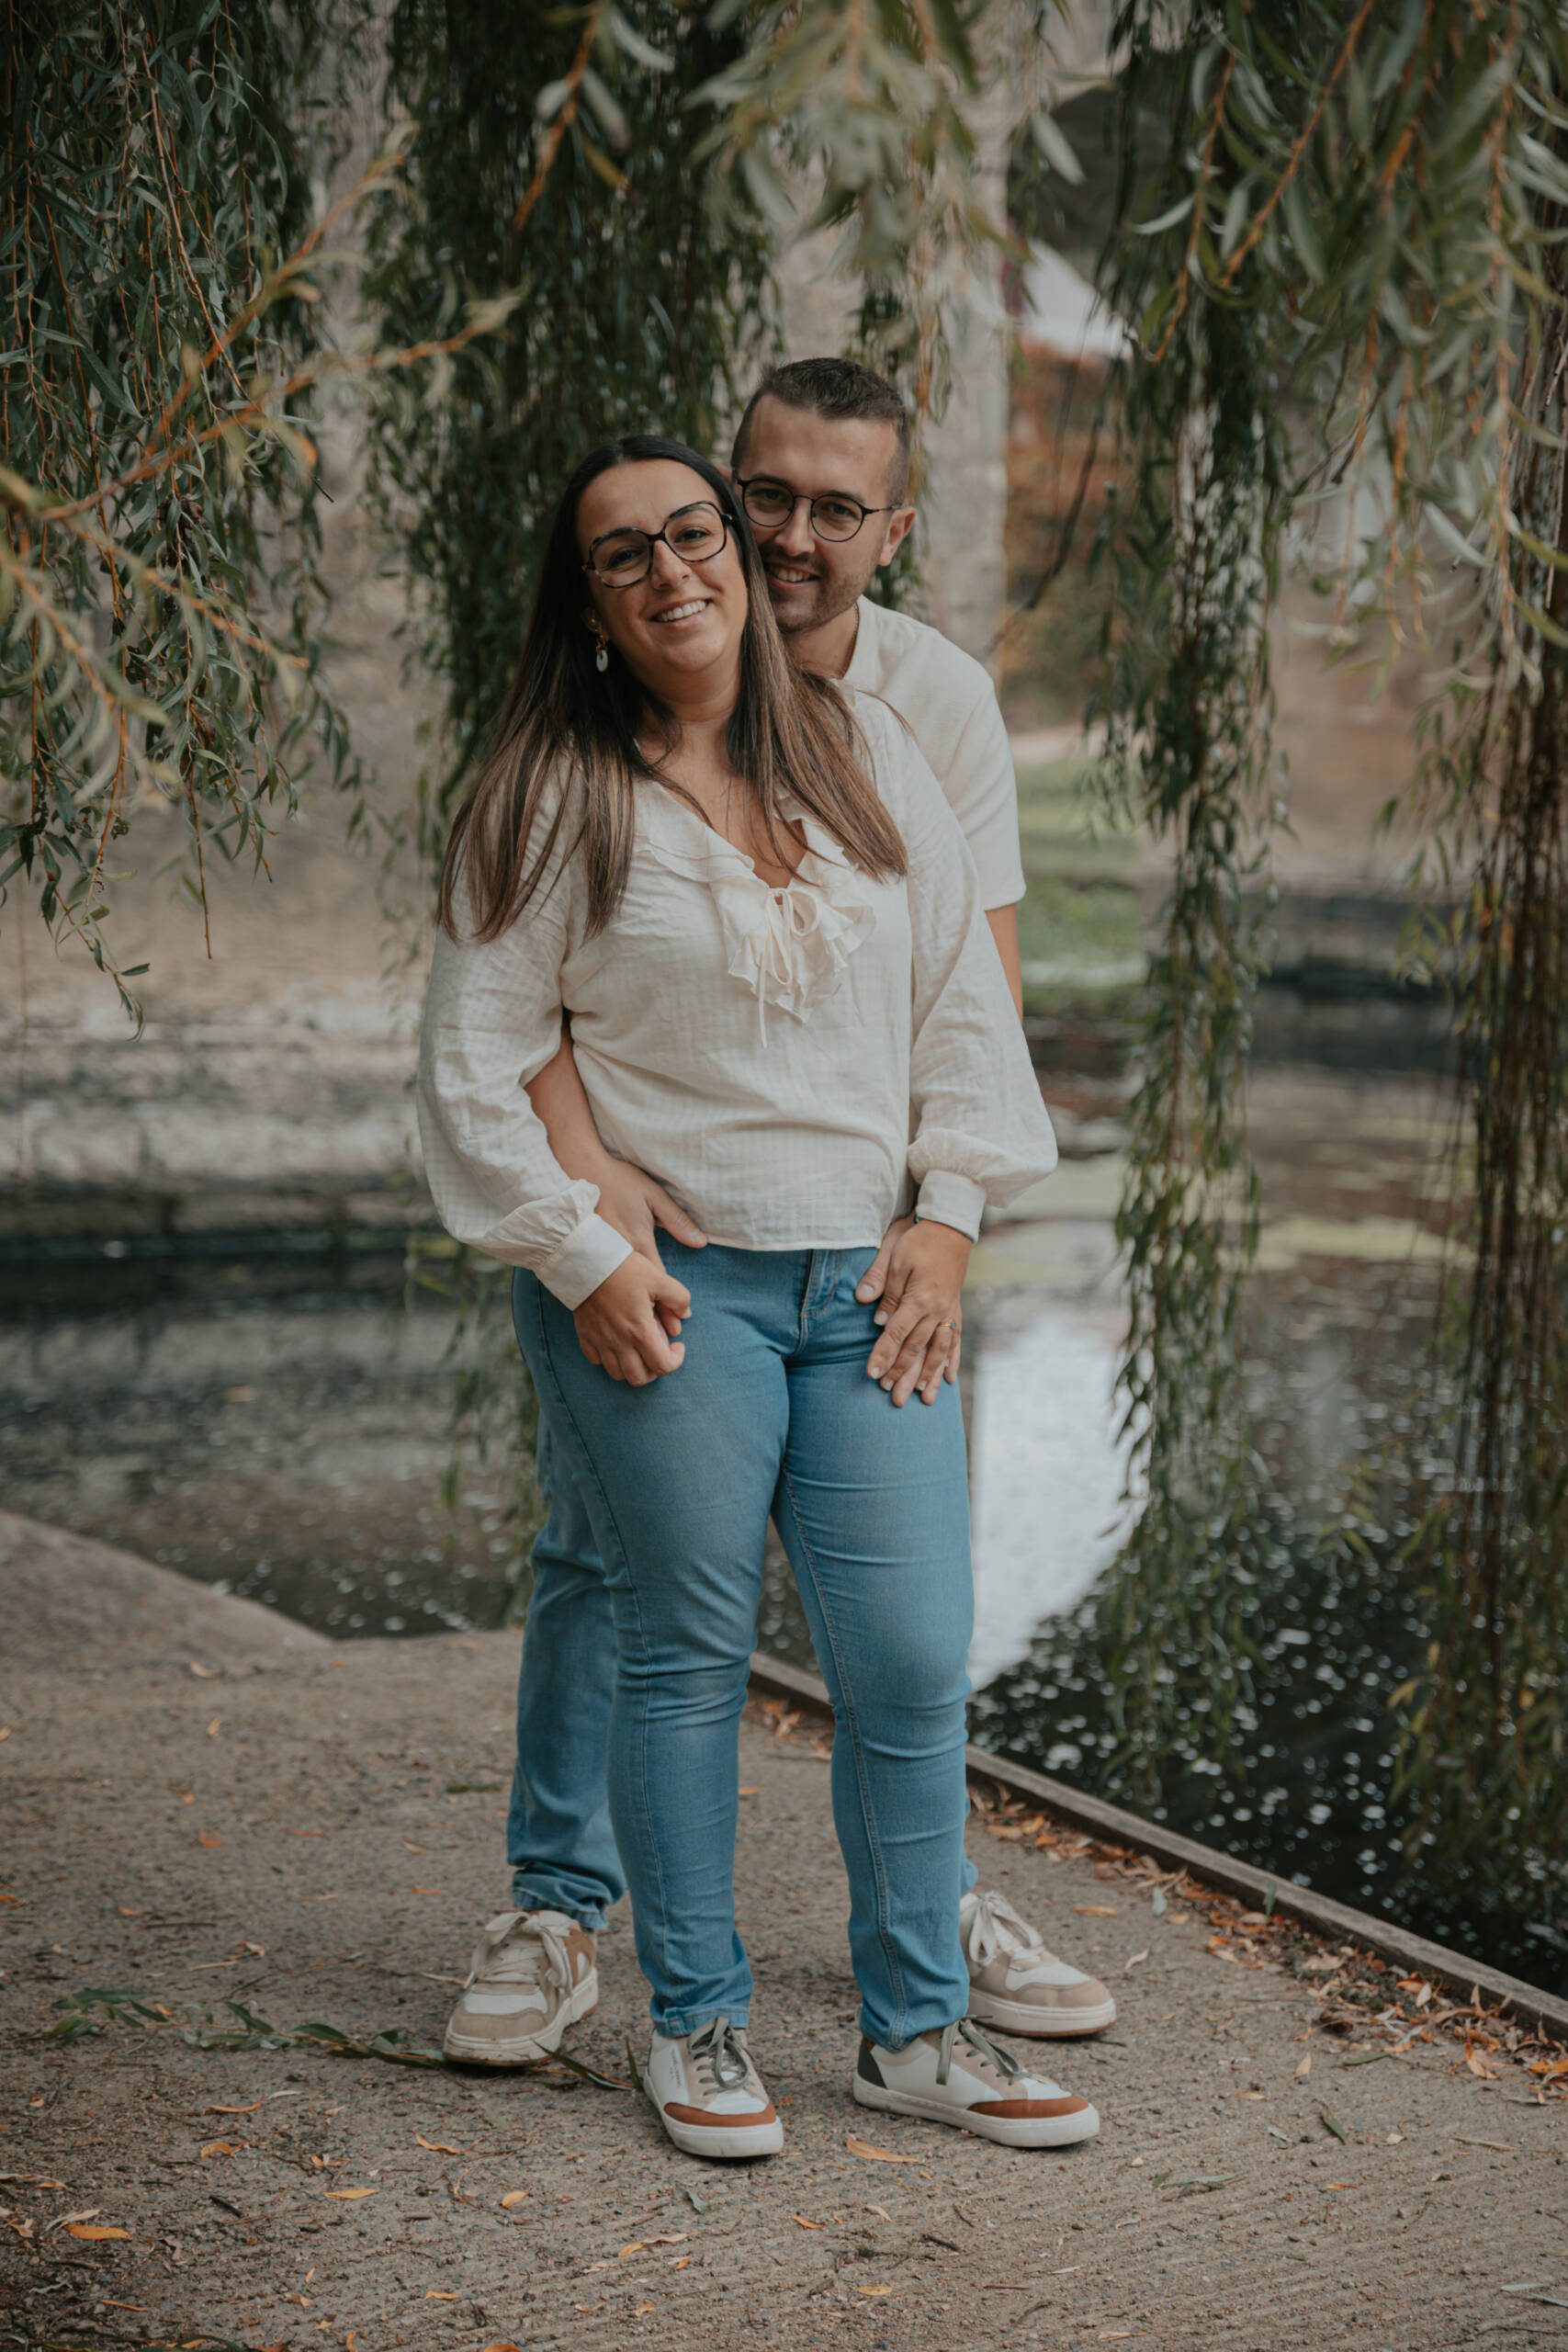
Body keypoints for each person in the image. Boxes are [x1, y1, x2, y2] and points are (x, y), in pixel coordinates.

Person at [418, 433, 1100, 2157]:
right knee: (686, 1653)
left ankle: (915, 2039)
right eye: (623, 555)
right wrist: (582, 1257)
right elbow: (472, 1062)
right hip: (681, 1290)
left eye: (693, 533)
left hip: (871, 1282)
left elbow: (962, 1001)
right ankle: (701, 2026)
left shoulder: (869, 752)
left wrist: (950, 1215)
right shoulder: (551, 793)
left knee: (909, 1658)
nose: (674, 572)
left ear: (738, 549)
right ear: (585, 604)